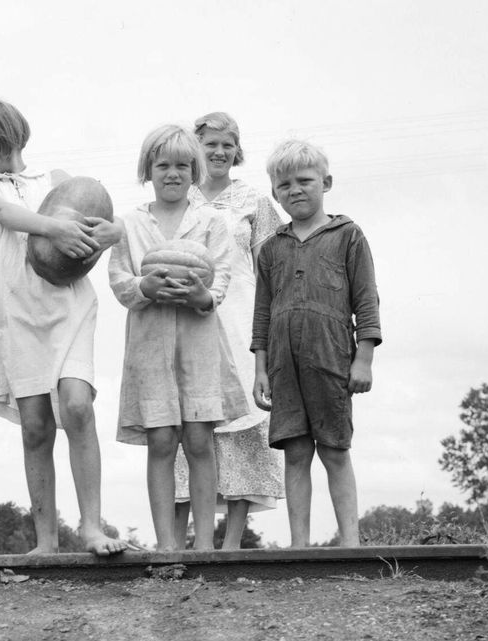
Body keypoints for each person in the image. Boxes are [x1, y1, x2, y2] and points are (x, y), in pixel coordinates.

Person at [0, 100, 126, 556]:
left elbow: (101, 222)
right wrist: (54, 229)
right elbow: (6, 215)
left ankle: (92, 527)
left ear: (6, 135)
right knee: (34, 426)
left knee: (77, 406)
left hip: (68, 305)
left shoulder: (57, 181)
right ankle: (46, 541)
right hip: (16, 313)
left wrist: (113, 231)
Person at [108, 124, 248, 551]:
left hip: (200, 344)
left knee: (200, 439)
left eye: (183, 166)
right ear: (147, 169)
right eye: (163, 165)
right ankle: (167, 546)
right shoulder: (129, 225)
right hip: (149, 346)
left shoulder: (211, 222)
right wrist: (143, 289)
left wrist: (203, 294)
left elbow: (221, 276)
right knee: (162, 441)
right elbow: (119, 279)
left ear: (195, 171)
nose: (173, 173)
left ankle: (205, 545)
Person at [252, 140, 380, 548]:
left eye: (304, 180)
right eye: (284, 184)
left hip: (332, 361)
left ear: (325, 182)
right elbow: (262, 313)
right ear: (275, 193)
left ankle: (351, 544)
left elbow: (366, 300)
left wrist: (364, 360)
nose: (295, 189)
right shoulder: (271, 248)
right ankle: (300, 547)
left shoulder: (348, 235)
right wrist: (260, 369)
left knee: (335, 451)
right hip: (283, 368)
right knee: (295, 453)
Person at [172, 113, 285, 549]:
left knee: (244, 426)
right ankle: (179, 542)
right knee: (187, 430)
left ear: (239, 150)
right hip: (191, 323)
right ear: (194, 149)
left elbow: (271, 270)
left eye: (228, 144)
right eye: (210, 144)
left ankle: (232, 544)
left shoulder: (254, 202)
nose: (219, 152)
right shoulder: (182, 198)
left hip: (241, 325)